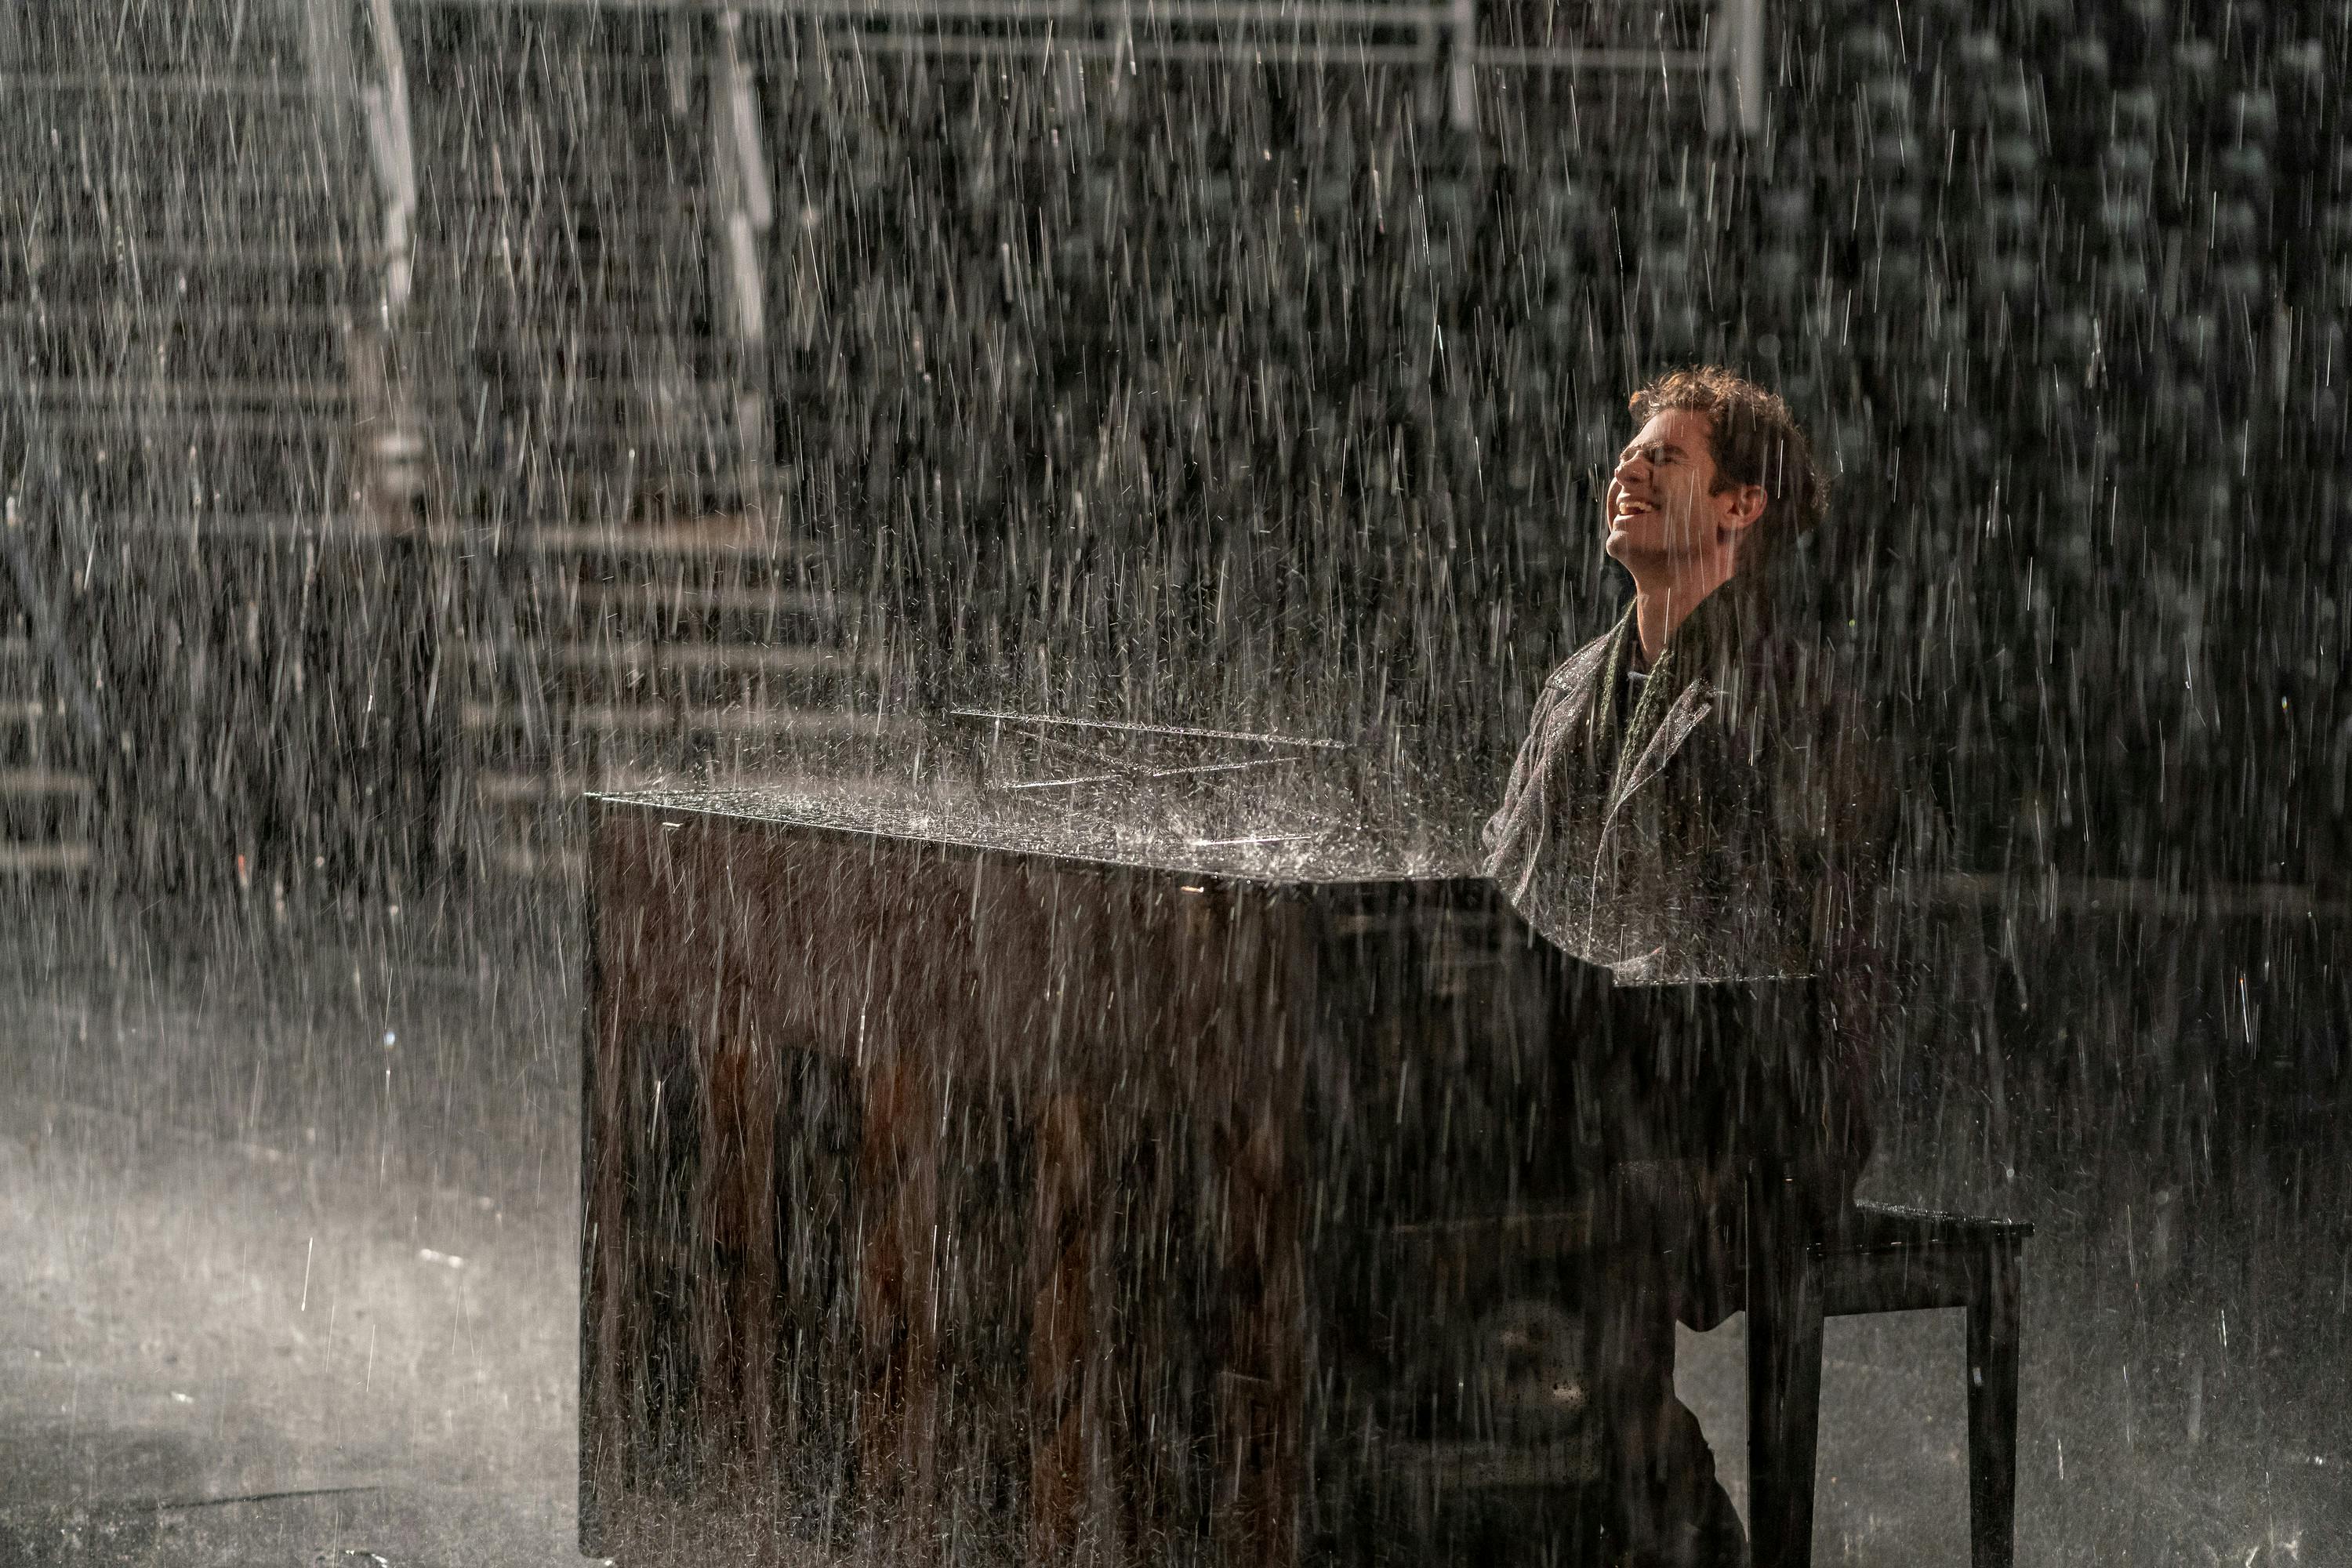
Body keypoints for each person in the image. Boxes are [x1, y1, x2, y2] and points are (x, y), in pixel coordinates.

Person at [1480, 366, 1905, 1566]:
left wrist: (1638, 1010)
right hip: (1613, 1092)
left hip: (1756, 1120)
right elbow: (1505, 890)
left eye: (1666, 458)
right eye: (1630, 454)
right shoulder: (1575, 684)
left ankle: (1692, 1540)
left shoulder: (1797, 696)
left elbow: (1817, 945)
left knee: (1583, 1224)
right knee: (1439, 1207)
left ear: (1741, 507)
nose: (1629, 470)